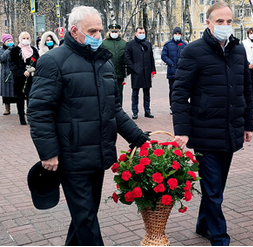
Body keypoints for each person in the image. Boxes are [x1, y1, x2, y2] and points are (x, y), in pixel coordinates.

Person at [26, 6, 150, 246]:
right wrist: (48, 153)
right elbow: (39, 111)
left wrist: (138, 138)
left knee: (85, 215)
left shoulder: (104, 63)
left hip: (98, 154)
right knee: (87, 221)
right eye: (92, 30)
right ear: (74, 31)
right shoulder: (53, 61)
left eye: (100, 30)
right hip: (71, 157)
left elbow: (113, 109)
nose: (98, 35)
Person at [172, 2, 253, 246]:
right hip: (204, 131)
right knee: (212, 188)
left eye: (229, 22)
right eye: (219, 22)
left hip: (230, 130)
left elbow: (245, 90)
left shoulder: (238, 51)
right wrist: (183, 131)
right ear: (208, 23)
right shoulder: (194, 51)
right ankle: (220, 238)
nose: (225, 26)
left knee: (217, 186)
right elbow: (179, 93)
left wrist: (248, 124)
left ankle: (203, 225)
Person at [124, 27, 156, 119]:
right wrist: (133, 68)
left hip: (146, 72)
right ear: (136, 33)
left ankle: (147, 111)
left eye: (143, 32)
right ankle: (135, 111)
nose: (142, 34)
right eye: (140, 32)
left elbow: (151, 58)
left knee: (147, 93)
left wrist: (153, 70)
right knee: (135, 93)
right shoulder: (130, 44)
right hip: (136, 72)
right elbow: (127, 58)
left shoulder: (148, 44)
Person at [9, 31, 39, 125]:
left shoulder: (33, 50)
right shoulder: (15, 51)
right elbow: (12, 65)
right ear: (20, 39)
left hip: (31, 79)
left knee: (31, 97)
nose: (26, 40)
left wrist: (32, 69)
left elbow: (37, 61)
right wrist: (22, 72)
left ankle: (30, 116)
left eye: (27, 38)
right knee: (20, 98)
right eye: (24, 38)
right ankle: (21, 117)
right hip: (19, 79)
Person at [161, 26, 187, 114]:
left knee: (182, 90)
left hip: (182, 72)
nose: (177, 35)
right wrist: (171, 63)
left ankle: (181, 106)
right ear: (173, 34)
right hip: (172, 72)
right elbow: (163, 55)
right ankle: (172, 106)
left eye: (179, 34)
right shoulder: (168, 44)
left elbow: (188, 57)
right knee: (172, 90)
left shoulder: (184, 45)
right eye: (176, 33)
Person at [102, 23, 128, 106]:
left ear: (119, 32)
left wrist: (127, 71)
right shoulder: (104, 43)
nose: (114, 33)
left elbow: (127, 58)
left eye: (116, 31)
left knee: (119, 93)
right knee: (108, 93)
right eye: (112, 31)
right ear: (109, 32)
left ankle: (119, 109)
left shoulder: (124, 43)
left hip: (120, 73)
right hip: (107, 73)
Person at [0, 33, 17, 115]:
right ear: (4, 42)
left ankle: (19, 108)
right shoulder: (2, 50)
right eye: (8, 41)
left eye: (11, 40)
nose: (10, 42)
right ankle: (7, 108)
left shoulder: (15, 49)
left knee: (16, 92)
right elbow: (2, 59)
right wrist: (8, 50)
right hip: (5, 73)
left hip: (14, 73)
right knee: (6, 93)